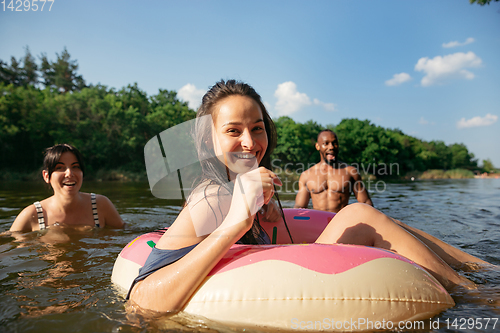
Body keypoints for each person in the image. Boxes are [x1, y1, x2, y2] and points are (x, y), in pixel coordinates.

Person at [128, 79, 488, 314]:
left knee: (380, 220)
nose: (251, 143)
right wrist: (237, 222)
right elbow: (139, 299)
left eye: (258, 129)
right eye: (233, 131)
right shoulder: (210, 197)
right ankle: (477, 294)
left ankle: (483, 269)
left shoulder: (244, 188)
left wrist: (259, 216)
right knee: (355, 215)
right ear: (208, 140)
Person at [10, 144, 125, 232]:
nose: (69, 173)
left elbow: (126, 233)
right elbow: (9, 244)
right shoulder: (33, 214)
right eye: (60, 168)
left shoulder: (100, 205)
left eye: (75, 167)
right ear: (46, 176)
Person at [294, 129, 373, 213]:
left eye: (334, 143)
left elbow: (366, 203)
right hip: (318, 223)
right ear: (317, 146)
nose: (331, 147)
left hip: (341, 222)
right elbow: (299, 207)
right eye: (326, 143)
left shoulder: (351, 172)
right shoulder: (306, 175)